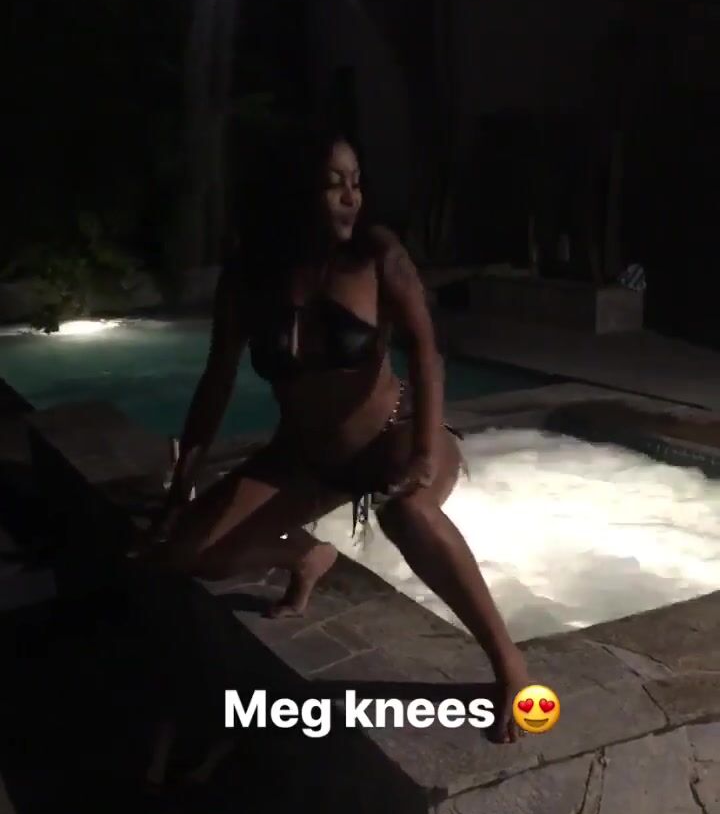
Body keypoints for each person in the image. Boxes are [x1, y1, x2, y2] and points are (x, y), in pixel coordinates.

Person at [141, 128, 529, 742]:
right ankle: (304, 555)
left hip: (394, 434)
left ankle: (509, 664)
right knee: (184, 552)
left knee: (409, 514)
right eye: (334, 184)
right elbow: (215, 384)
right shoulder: (249, 276)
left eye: (356, 182)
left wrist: (424, 454)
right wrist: (179, 489)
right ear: (293, 192)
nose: (352, 197)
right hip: (305, 456)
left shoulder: (376, 255)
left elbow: (426, 352)